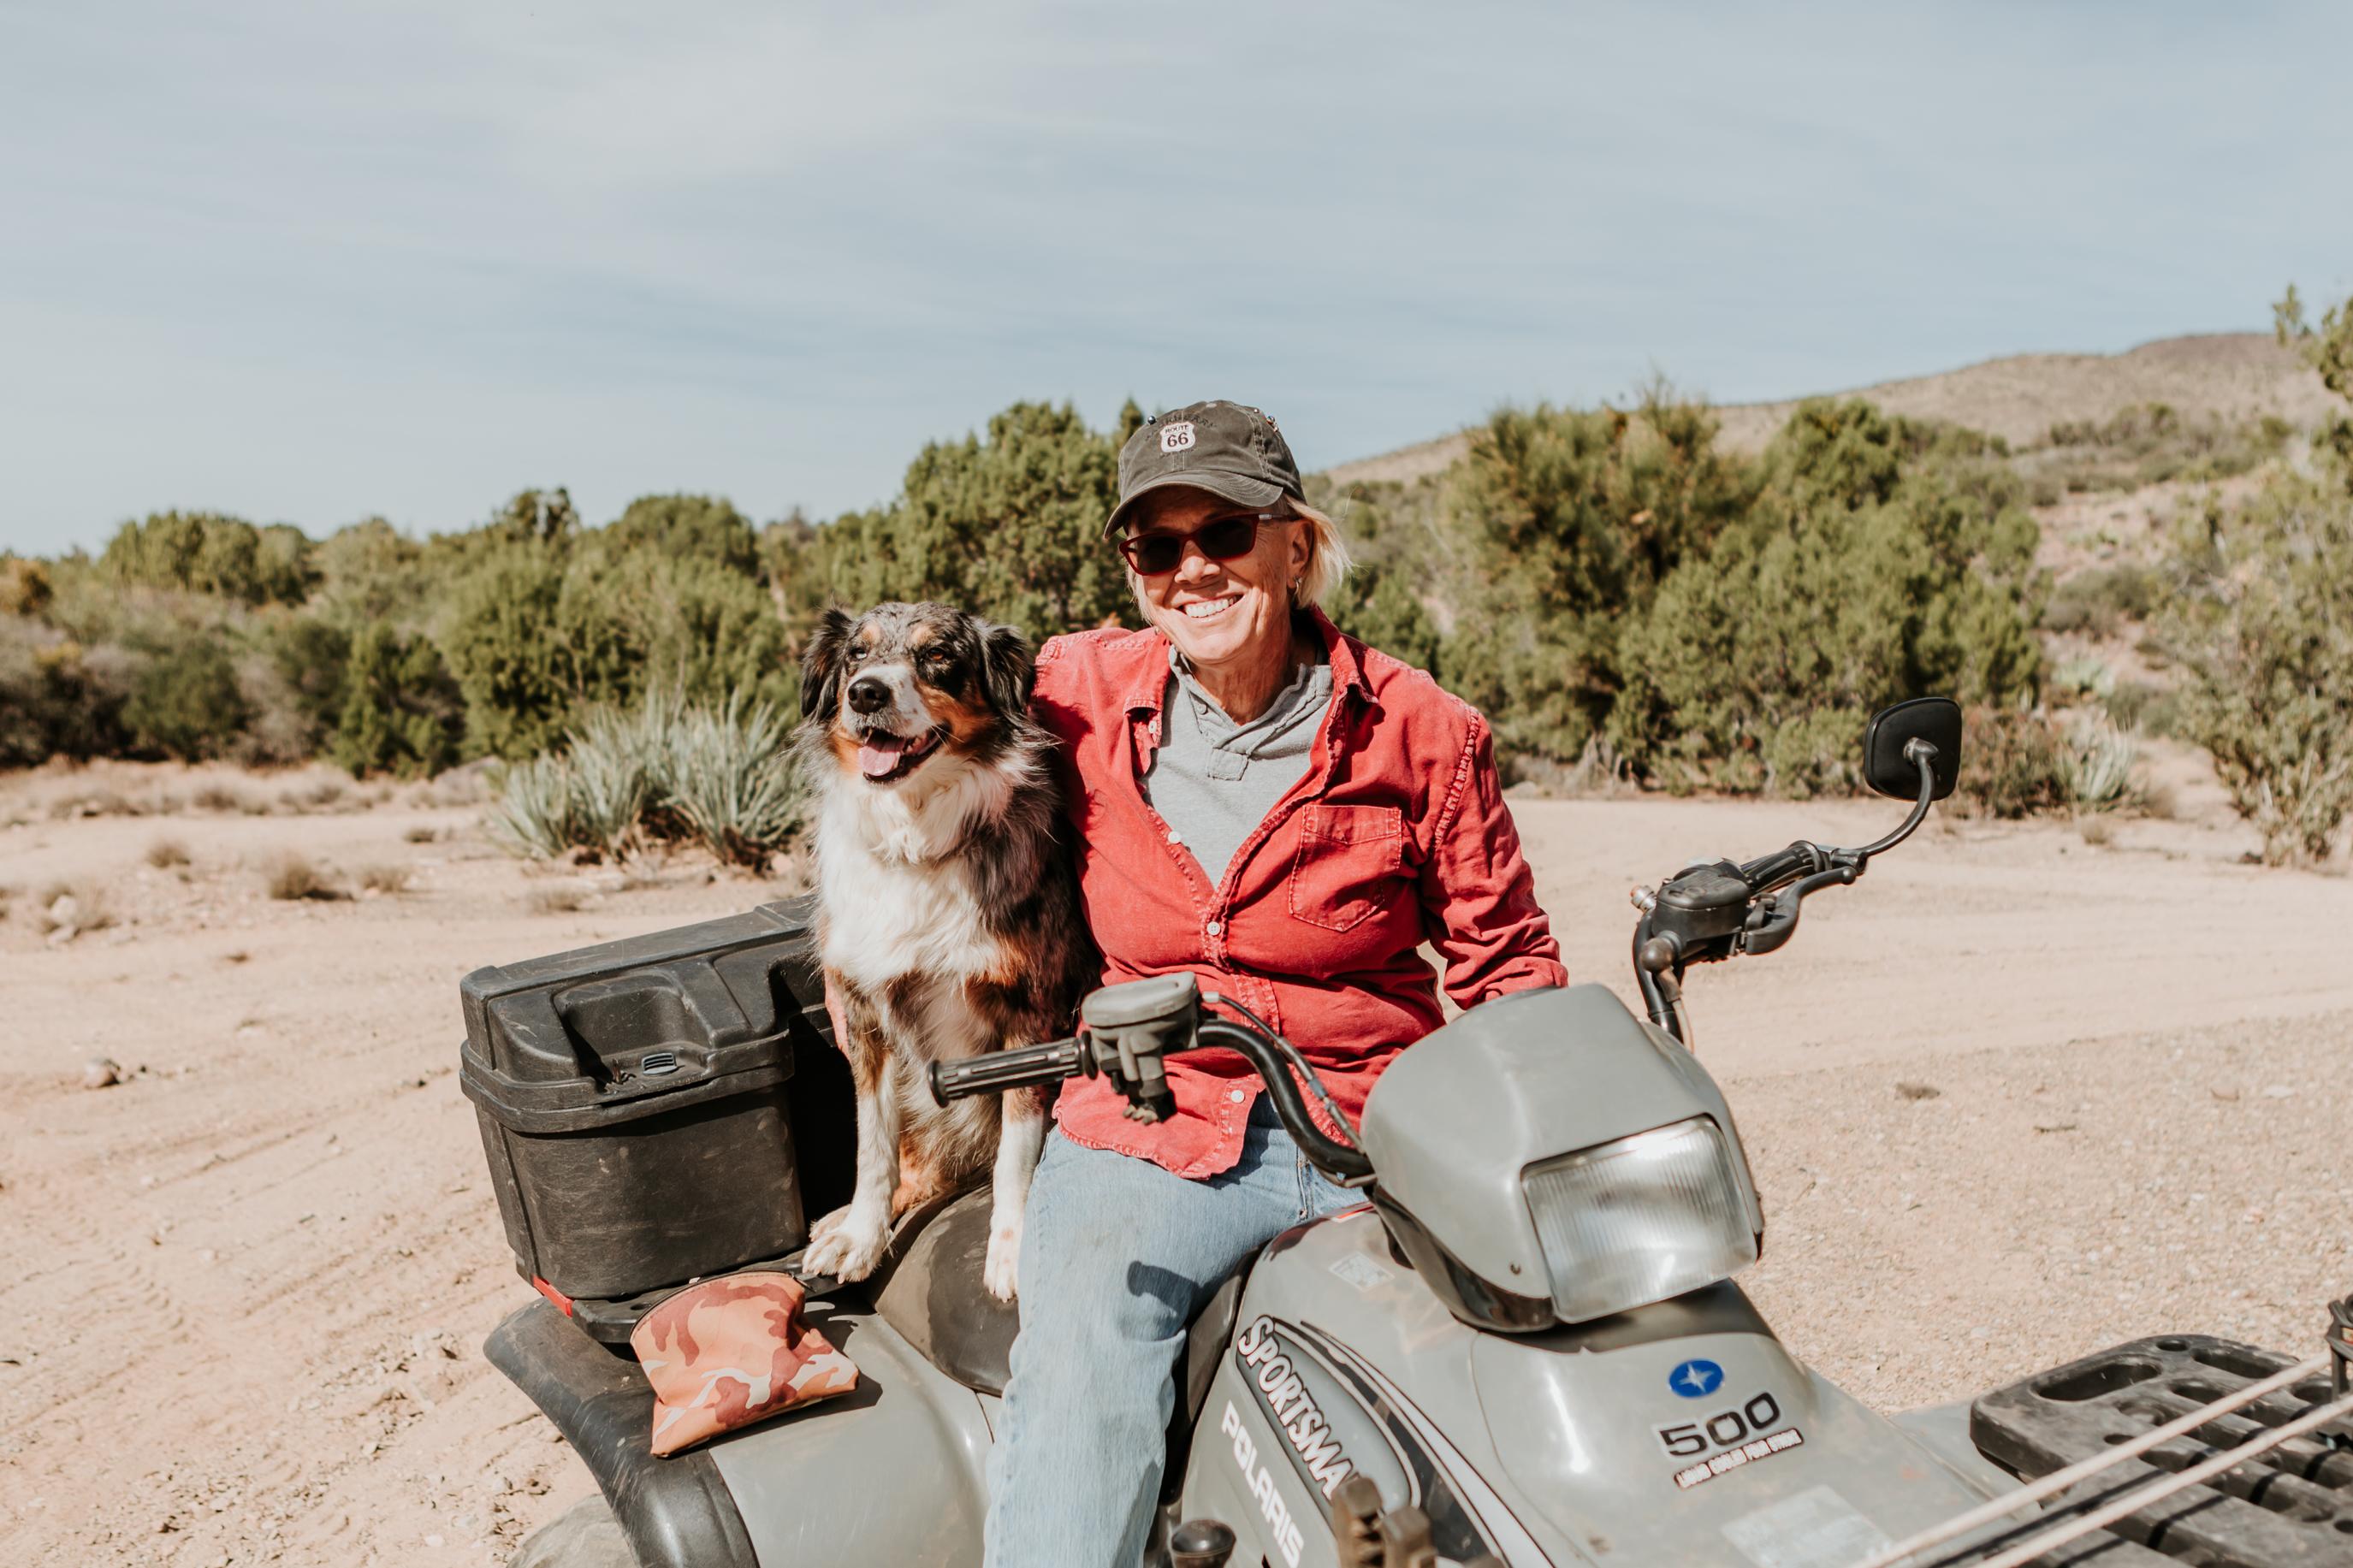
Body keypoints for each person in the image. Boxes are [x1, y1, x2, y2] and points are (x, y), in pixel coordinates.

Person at [985, 399, 1566, 1565]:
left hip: (1371, 1120)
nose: (1191, 569)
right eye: (1156, 545)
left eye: (1225, 534)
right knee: (1085, 1353)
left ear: (1294, 545)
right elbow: (922, 732)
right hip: (1156, 1117)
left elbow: (1507, 966)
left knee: (1548, 1334)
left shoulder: (1423, 732)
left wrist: (1548, 1124)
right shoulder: (1074, 692)